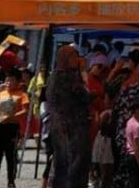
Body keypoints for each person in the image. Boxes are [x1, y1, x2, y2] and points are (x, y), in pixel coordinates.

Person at [46, 44, 93, 188]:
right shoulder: (66, 77)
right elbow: (86, 95)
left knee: (63, 164)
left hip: (62, 127)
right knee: (73, 165)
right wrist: (84, 72)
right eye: (73, 56)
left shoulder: (55, 76)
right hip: (72, 128)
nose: (77, 59)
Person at [0, 68, 30, 188]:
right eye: (7, 80)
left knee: (10, 155)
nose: (9, 83)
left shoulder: (22, 94)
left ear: (17, 82)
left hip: (12, 127)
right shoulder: (2, 92)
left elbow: (25, 111)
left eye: (11, 80)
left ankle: (11, 181)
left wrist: (11, 117)